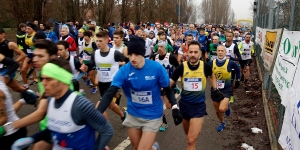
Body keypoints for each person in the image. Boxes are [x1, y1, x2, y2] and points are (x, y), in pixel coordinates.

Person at [95, 36, 182, 150]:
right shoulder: (125, 70)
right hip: (133, 113)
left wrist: (175, 107)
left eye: (136, 54)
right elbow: (110, 92)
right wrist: (97, 113)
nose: (133, 58)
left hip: (152, 114)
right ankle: (153, 148)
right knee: (136, 147)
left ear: (143, 53)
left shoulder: (156, 68)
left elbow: (167, 89)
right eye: (130, 54)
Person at [11, 58, 114, 150]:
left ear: (62, 80)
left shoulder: (80, 104)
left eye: (49, 79)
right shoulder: (51, 101)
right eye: (43, 79)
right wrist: (31, 139)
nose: (43, 83)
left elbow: (107, 130)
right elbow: (53, 130)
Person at [170, 41, 221, 150]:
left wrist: (215, 89)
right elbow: (169, 84)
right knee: (189, 136)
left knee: (190, 140)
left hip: (198, 107)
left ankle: (194, 135)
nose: (193, 54)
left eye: (195, 52)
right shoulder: (181, 67)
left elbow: (212, 76)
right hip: (184, 105)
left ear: (200, 53)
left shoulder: (205, 66)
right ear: (187, 53)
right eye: (191, 52)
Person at [81, 31, 127, 120]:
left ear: (106, 40)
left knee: (98, 108)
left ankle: (106, 129)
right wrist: (85, 67)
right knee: (110, 105)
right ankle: (123, 115)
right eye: (97, 41)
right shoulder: (95, 53)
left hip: (113, 83)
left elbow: (128, 62)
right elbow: (91, 65)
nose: (98, 43)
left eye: (100, 41)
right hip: (102, 83)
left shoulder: (115, 53)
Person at [209, 45, 240, 132]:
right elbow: (205, 71)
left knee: (222, 109)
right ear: (216, 52)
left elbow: (237, 69)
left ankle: (227, 105)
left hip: (226, 89)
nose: (220, 52)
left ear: (225, 52)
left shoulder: (230, 62)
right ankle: (222, 122)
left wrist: (238, 79)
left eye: (222, 51)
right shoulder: (212, 63)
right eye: (218, 50)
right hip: (215, 89)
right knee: (217, 111)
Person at [154, 40, 180, 132]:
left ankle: (174, 89)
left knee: (168, 106)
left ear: (165, 48)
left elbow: (178, 68)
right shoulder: (155, 57)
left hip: (169, 84)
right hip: (158, 84)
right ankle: (164, 122)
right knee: (159, 105)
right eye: (158, 46)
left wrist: (174, 80)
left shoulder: (171, 57)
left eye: (161, 47)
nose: (159, 48)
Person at [223, 31, 242, 103]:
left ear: (232, 37)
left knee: (231, 83)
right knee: (222, 81)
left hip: (231, 66)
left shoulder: (235, 46)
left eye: (230, 36)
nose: (228, 37)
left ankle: (231, 96)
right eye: (227, 36)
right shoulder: (222, 45)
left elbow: (240, 58)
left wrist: (233, 59)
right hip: (222, 66)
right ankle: (223, 95)